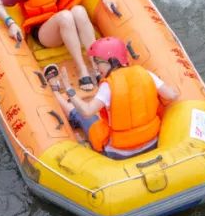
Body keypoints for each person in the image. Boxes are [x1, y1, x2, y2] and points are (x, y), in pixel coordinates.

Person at [47, 37, 179, 159]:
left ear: (110, 62)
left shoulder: (108, 87)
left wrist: (70, 90)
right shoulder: (147, 74)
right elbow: (172, 95)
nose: (97, 68)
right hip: (152, 141)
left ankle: (55, 93)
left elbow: (86, 111)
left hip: (119, 152)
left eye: (98, 62)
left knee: (85, 116)